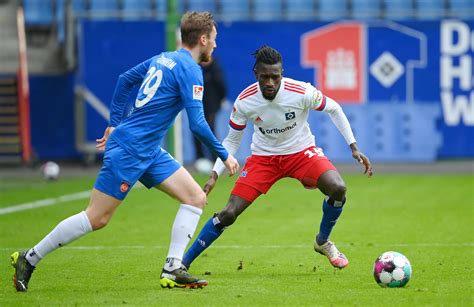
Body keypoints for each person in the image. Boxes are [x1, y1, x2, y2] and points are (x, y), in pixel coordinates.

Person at [10, 11, 239, 292]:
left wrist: (114, 123)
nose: (216, 45)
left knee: (194, 198)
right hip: (131, 149)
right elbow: (198, 123)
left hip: (148, 150)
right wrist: (223, 154)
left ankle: (173, 267)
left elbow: (124, 79)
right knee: (97, 217)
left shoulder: (164, 58)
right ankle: (29, 258)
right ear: (203, 39)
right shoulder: (190, 69)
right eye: (214, 39)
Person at [182, 46, 372, 272]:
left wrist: (353, 147)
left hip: (301, 153)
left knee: (338, 188)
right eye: (265, 77)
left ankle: (323, 241)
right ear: (256, 74)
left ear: (282, 73)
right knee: (229, 213)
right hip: (264, 159)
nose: (270, 82)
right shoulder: (245, 101)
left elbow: (334, 108)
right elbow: (232, 141)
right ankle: (182, 264)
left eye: (275, 76)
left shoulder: (300, 91)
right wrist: (214, 175)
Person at [193, 57, 227, 171]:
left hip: (211, 107)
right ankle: (200, 158)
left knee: (210, 131)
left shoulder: (215, 70)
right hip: (198, 106)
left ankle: (215, 159)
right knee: (196, 132)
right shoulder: (196, 69)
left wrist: (219, 102)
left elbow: (221, 87)